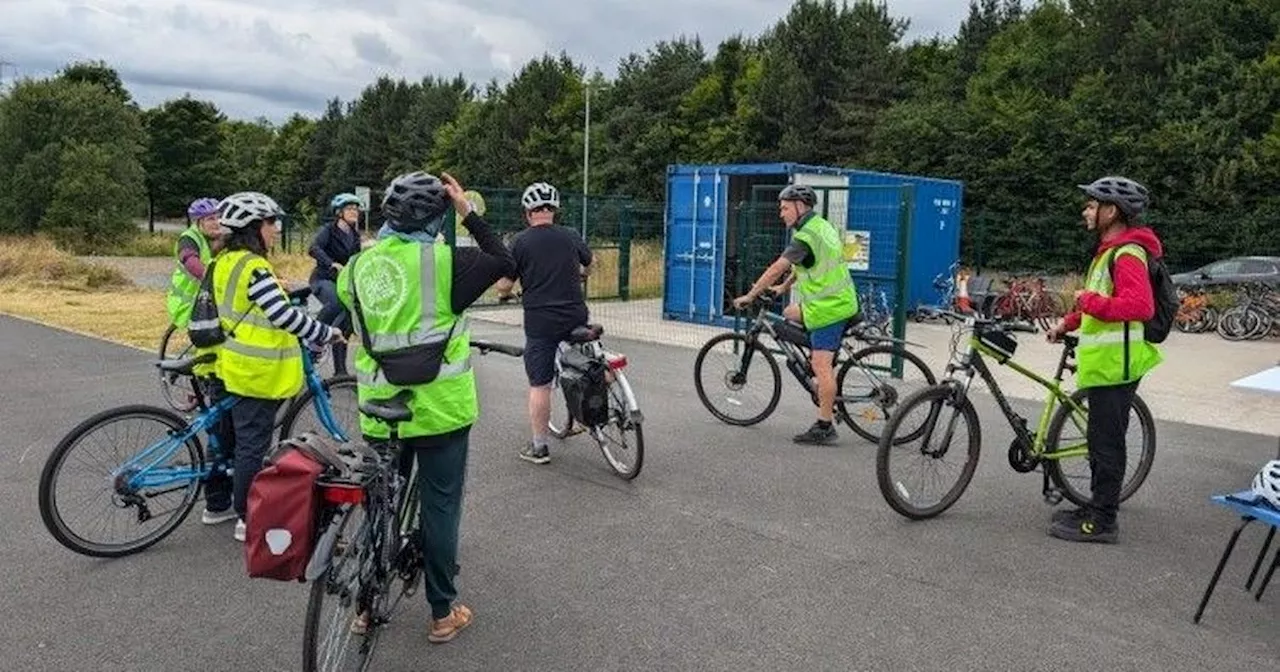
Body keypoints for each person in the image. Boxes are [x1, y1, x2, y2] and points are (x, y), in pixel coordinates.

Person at [337, 171, 514, 644]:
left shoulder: (357, 267)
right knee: (439, 507)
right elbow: (503, 258)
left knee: (381, 502)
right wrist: (467, 210)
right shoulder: (448, 262)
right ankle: (441, 613)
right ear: (437, 216)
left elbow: (349, 309)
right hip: (440, 410)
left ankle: (363, 608)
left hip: (380, 408)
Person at [205, 191, 343, 542]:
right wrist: (325, 332)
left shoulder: (222, 261)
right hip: (256, 371)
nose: (276, 229)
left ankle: (216, 504)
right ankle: (248, 516)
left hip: (227, 363)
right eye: (270, 223)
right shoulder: (254, 266)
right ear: (254, 227)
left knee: (224, 439)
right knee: (252, 445)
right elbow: (282, 315)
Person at [1045, 176, 1164, 544]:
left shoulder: (1128, 254)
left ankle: (1103, 521)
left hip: (1119, 366)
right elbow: (1097, 306)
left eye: (1092, 205)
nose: (1086, 211)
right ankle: (1095, 504)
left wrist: (1086, 301)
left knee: (1107, 442)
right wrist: (1068, 322)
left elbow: (1140, 306)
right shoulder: (1107, 255)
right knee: (1099, 440)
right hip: (1104, 364)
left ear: (1111, 211)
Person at [732, 184, 859, 445]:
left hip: (830, 309)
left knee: (820, 366)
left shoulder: (804, 236)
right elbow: (803, 264)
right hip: (836, 302)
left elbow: (779, 266)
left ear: (801, 207)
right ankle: (819, 357)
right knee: (789, 312)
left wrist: (751, 295)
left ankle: (825, 425)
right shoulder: (821, 226)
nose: (781, 213)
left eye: (785, 208)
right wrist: (784, 288)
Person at [493, 182, 593, 465]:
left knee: (540, 384)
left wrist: (505, 293)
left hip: (541, 322)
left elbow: (503, 284)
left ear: (528, 213)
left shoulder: (521, 242)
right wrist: (579, 274)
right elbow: (589, 262)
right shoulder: (571, 235)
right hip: (576, 314)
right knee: (587, 360)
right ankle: (598, 407)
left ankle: (539, 447)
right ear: (554, 211)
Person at [308, 192, 364, 375]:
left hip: (343, 282)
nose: (354, 212)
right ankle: (314, 337)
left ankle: (340, 372)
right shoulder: (329, 230)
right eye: (350, 208)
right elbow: (313, 248)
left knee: (346, 321)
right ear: (339, 212)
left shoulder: (355, 235)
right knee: (336, 303)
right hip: (323, 279)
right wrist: (331, 263)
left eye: (356, 209)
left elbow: (355, 259)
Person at [166, 197, 223, 329]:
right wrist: (213, 278)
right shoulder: (189, 238)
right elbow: (190, 261)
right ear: (199, 222)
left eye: (218, 218)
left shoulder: (219, 238)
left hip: (207, 300)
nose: (217, 223)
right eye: (210, 219)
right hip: (187, 304)